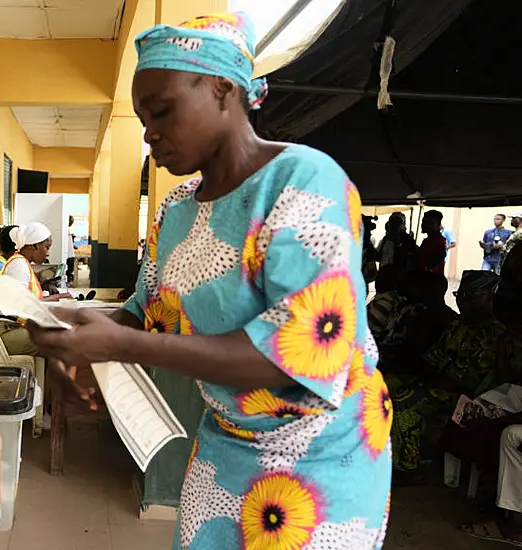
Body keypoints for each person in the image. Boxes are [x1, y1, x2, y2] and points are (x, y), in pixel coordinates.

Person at [26, 13, 390, 549]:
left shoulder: (305, 182)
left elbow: (301, 352)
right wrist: (74, 340)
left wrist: (120, 344)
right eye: (143, 117)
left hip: (321, 453)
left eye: (162, 110)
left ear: (223, 90)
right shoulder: (176, 208)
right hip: (224, 443)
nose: (149, 132)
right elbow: (146, 310)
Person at [391, 270, 504, 479]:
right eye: (459, 295)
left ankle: (409, 467)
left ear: (489, 299)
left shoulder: (495, 335)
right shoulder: (456, 326)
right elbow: (432, 359)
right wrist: (417, 379)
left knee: (405, 402)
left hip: (470, 398)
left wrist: (422, 388)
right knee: (384, 386)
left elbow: (467, 382)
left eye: (469, 297)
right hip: (442, 386)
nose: (461, 301)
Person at [0, 222, 70, 355]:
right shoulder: (19, 265)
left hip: (16, 328)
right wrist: (56, 298)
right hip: (8, 333)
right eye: (46, 247)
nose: (48, 253)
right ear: (34, 246)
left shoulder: (22, 263)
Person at [416, 210, 447, 274]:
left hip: (430, 280)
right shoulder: (428, 240)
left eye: (428, 222)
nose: (423, 224)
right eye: (423, 221)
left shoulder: (439, 241)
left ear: (436, 225)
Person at [65, 215, 76, 284]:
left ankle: (67, 284)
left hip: (69, 254)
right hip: (69, 255)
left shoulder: (67, 230)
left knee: (68, 272)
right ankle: (67, 284)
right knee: (68, 272)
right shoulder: (66, 230)